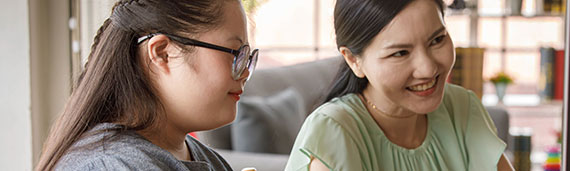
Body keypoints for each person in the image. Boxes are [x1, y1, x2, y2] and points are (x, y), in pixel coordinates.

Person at [285, 0, 513, 170]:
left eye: (437, 40)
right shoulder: (335, 132)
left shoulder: (460, 107)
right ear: (353, 60)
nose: (428, 69)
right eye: (400, 53)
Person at [35, 0, 258, 170]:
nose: (246, 71)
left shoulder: (203, 158)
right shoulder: (112, 165)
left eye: (247, 57)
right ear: (162, 53)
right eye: (236, 53)